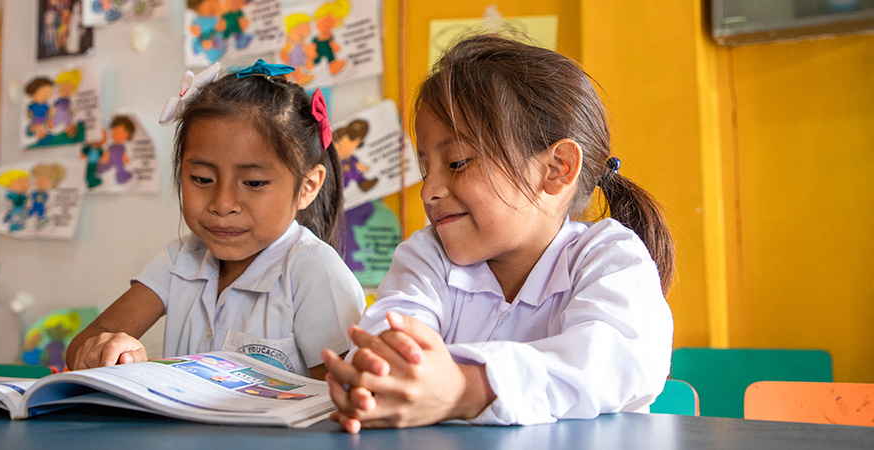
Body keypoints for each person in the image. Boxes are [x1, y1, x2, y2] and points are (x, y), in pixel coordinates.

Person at [321, 33, 676, 432]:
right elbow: (388, 339)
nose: (429, 191)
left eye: (457, 162)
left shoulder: (610, 257)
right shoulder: (427, 255)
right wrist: (377, 371)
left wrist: (465, 388)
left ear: (557, 168)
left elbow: (611, 362)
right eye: (425, 169)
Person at [66, 60, 366, 379]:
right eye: (202, 179)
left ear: (307, 187)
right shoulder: (178, 260)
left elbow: (344, 390)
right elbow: (81, 345)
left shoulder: (314, 272)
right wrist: (109, 348)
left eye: (253, 183)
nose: (223, 204)